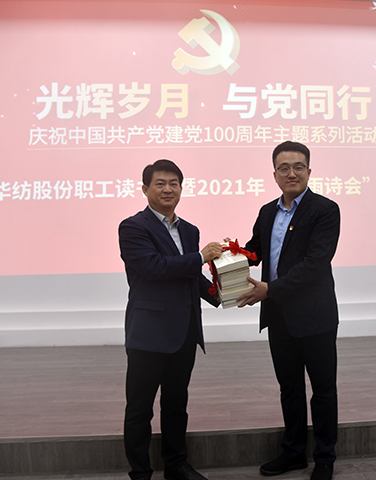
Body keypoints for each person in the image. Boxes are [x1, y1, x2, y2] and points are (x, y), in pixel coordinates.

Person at [237, 141, 340, 480]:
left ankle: (324, 458)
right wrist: (227, 257)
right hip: (279, 316)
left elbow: (315, 264)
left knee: (322, 390)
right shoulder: (267, 211)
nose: (291, 173)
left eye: (298, 167)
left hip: (315, 316)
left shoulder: (325, 210)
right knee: (290, 388)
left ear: (309, 171)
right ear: (275, 174)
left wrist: (269, 290)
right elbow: (255, 251)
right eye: (284, 168)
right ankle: (294, 453)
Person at [118, 159, 222, 480]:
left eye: (174, 183)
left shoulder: (189, 230)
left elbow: (191, 276)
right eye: (160, 183)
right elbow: (155, 267)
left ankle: (176, 466)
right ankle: (140, 473)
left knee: (176, 405)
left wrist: (223, 292)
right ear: (145, 189)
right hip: (148, 334)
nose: (168, 189)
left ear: (181, 188)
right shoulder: (133, 227)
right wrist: (201, 257)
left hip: (184, 332)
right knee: (140, 409)